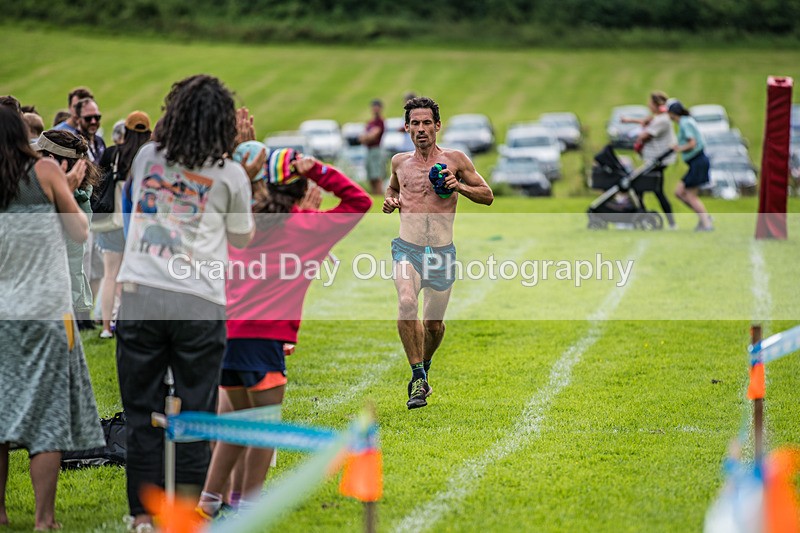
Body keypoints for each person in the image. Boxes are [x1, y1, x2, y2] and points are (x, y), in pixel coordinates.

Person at [197, 147, 371, 516]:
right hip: (263, 341)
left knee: (236, 427)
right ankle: (248, 506)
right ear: (301, 187)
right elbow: (358, 201)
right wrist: (320, 170)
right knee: (263, 430)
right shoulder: (307, 226)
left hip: (227, 336)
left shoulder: (246, 222)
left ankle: (209, 502)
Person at [115, 74, 255, 532]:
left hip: (139, 295)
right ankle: (183, 519)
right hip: (198, 302)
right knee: (197, 414)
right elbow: (242, 237)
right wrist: (242, 176)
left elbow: (135, 206)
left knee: (142, 414)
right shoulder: (231, 173)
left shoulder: (147, 157)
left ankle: (141, 516)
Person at [0, 105, 104, 531]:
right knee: (49, 416)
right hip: (48, 310)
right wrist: (73, 185)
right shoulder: (45, 171)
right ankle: (45, 519)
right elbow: (79, 230)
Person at [383, 96, 493, 409]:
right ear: (406, 127)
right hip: (407, 248)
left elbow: (487, 196)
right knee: (406, 302)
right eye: (415, 123)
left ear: (438, 126)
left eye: (427, 123)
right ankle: (417, 376)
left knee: (433, 326)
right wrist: (391, 201)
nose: (421, 129)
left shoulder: (456, 159)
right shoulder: (399, 163)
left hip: (442, 252)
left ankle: (424, 369)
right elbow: (393, 189)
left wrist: (458, 186)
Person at [32, 129, 102, 319]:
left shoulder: (66, 200)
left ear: (53, 161)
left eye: (38, 156)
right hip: (63, 293)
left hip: (51, 295)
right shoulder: (81, 194)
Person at [95, 110, 152, 339]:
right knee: (134, 277)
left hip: (111, 222)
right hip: (136, 224)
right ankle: (132, 321)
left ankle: (107, 327)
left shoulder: (112, 154)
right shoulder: (147, 158)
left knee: (110, 275)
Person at [622, 91, 677, 228]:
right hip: (654, 161)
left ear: (655, 104)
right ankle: (640, 217)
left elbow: (645, 136)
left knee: (649, 189)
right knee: (644, 189)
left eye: (650, 103)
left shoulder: (662, 120)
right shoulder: (659, 118)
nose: (648, 105)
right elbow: (646, 122)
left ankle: (666, 222)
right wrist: (629, 121)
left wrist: (636, 135)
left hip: (658, 161)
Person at [668, 100, 714, 232]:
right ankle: (703, 217)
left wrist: (678, 148)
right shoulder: (686, 121)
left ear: (673, 114)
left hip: (698, 161)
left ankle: (706, 223)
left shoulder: (685, 123)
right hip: (696, 162)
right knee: (679, 192)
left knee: (690, 195)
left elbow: (692, 143)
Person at [360, 98, 385, 195]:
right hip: (369, 150)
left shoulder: (380, 121)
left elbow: (373, 135)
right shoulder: (370, 122)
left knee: (377, 176)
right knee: (370, 177)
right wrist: (367, 137)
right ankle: (374, 195)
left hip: (376, 151)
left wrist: (367, 137)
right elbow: (362, 138)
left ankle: (379, 195)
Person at [75, 98, 106, 163]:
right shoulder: (75, 143)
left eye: (97, 117)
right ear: (78, 119)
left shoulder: (100, 141)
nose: (93, 121)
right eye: (88, 118)